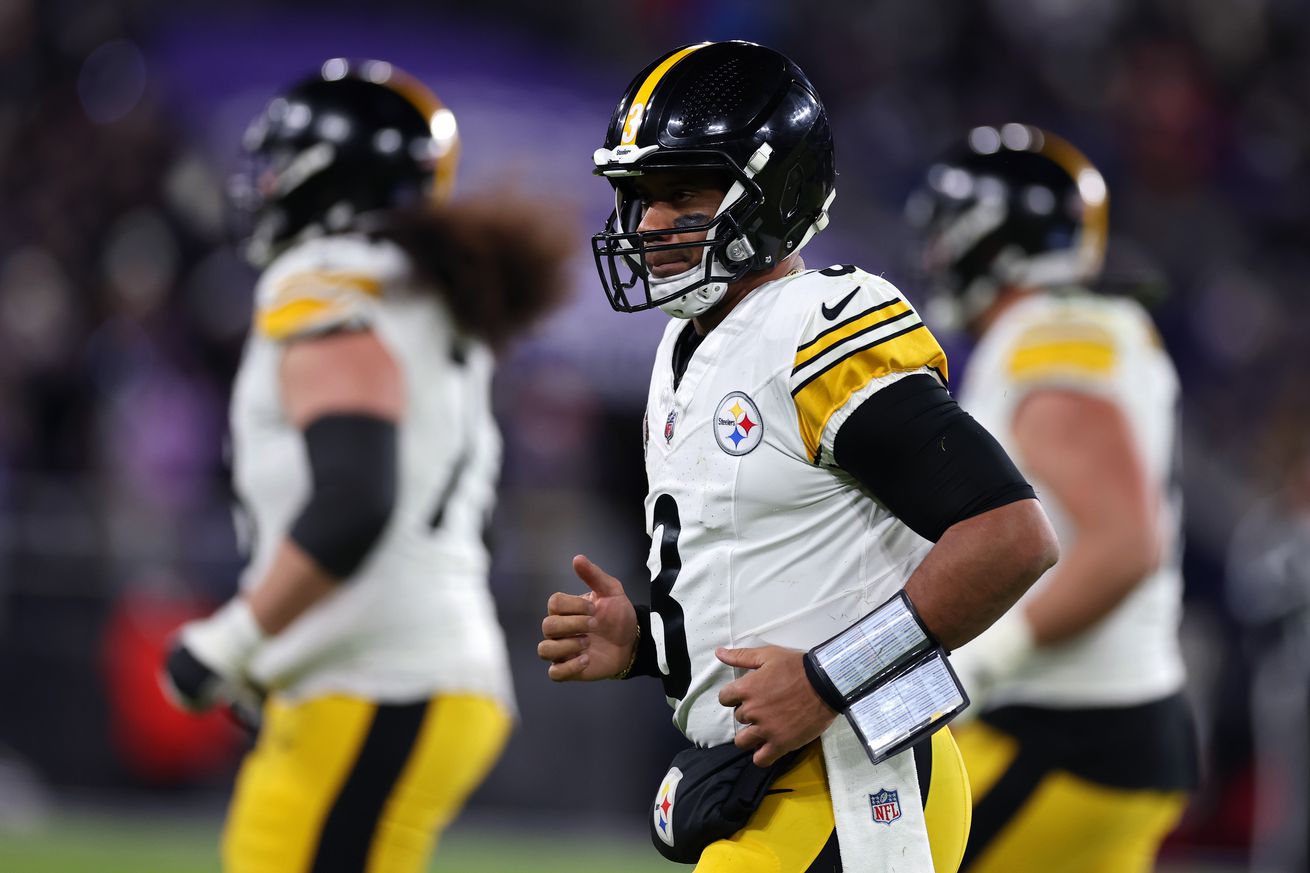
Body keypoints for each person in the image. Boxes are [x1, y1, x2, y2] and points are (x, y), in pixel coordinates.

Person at [538, 41, 1059, 873]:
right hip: (777, 780)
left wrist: (828, 680)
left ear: (770, 191)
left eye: (682, 193)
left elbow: (1011, 534)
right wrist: (645, 641)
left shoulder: (816, 328)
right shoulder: (691, 346)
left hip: (859, 779)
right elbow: (774, 583)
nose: (648, 224)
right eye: (639, 197)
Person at [160, 59, 569, 873]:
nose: (263, 182)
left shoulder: (326, 278)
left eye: (278, 160)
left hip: (379, 675)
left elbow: (356, 495)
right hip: (396, 670)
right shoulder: (418, 293)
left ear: (328, 170)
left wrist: (230, 640)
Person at [906, 124, 1199, 873]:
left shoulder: (1047, 336)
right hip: (1103, 727)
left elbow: (1124, 543)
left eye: (947, 229)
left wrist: (984, 657)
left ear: (990, 235)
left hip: (1071, 733)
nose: (936, 252)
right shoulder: (1091, 322)